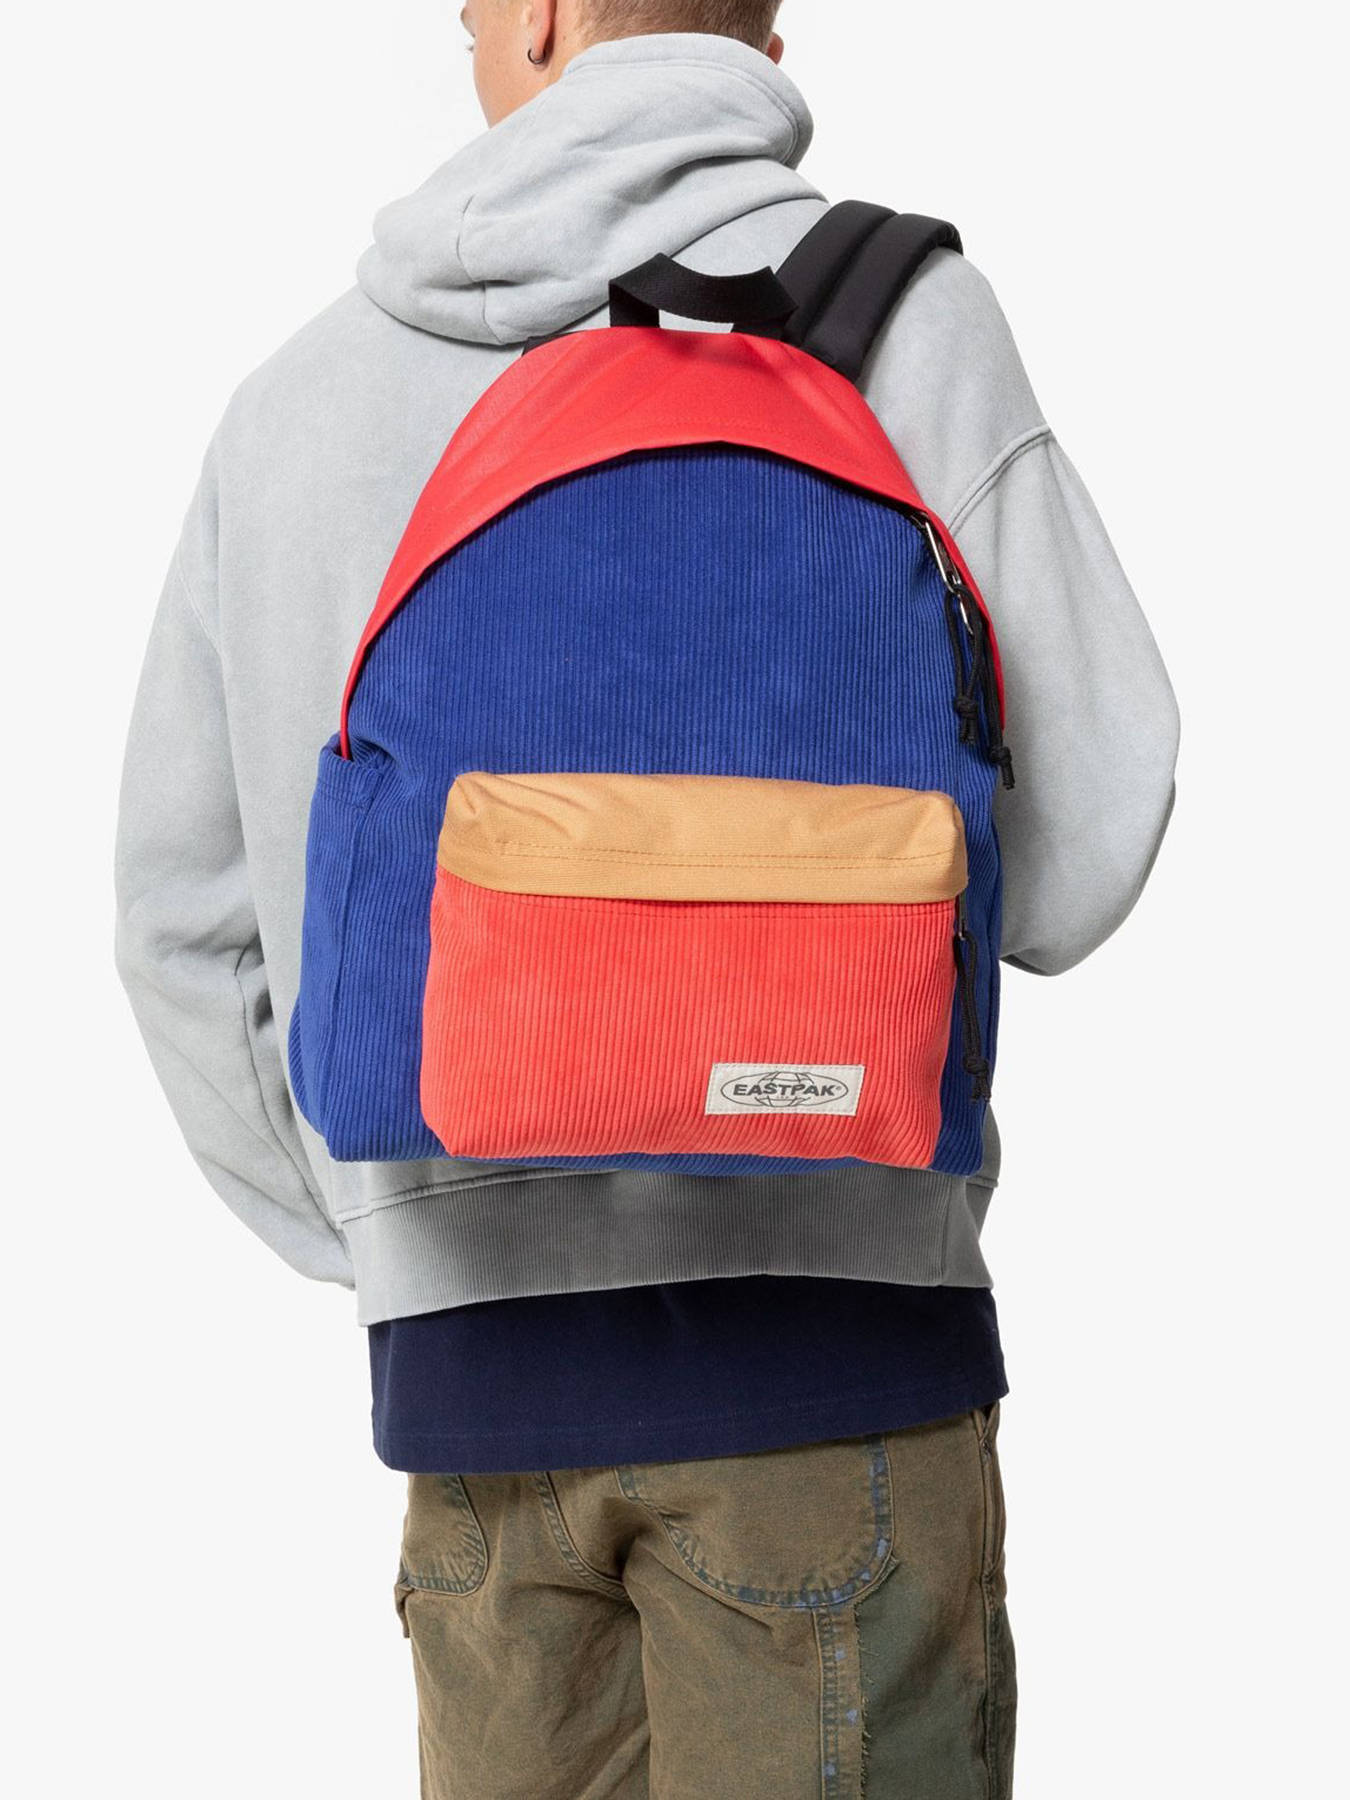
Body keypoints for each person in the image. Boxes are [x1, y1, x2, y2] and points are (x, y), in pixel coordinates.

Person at [114, 2, 1179, 1793]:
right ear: (765, 26)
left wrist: (398, 1229)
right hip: (839, 1375)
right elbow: (1082, 854)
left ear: (536, 13)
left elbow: (182, 923)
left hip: (468, 1402)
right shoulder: (897, 320)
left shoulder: (300, 401)